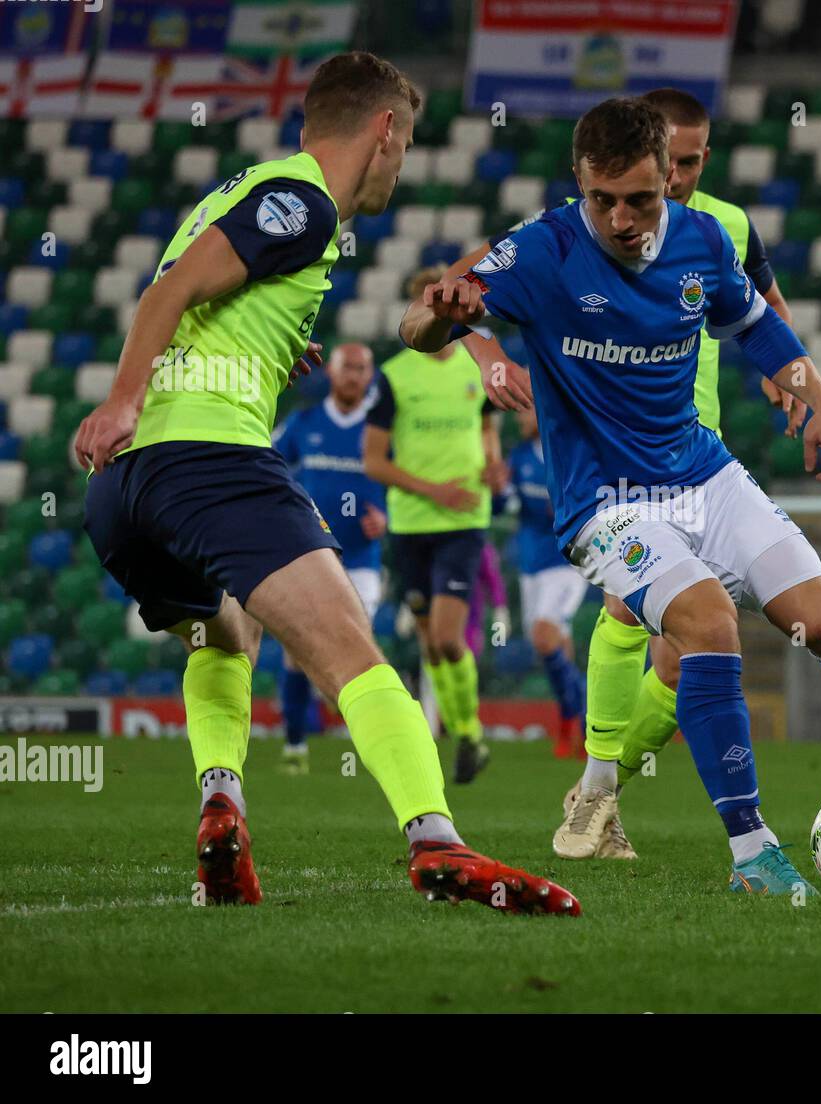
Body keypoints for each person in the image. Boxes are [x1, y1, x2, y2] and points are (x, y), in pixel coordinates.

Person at [401, 97, 821, 896]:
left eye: (639, 199)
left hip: (703, 475)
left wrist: (816, 400)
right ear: (580, 183)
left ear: (666, 177)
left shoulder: (708, 241)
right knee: (710, 622)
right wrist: (449, 320)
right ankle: (751, 851)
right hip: (605, 502)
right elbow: (418, 319)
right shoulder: (544, 250)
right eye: (601, 199)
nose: (619, 218)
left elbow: (758, 327)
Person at [74, 51, 578, 914]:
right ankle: (437, 844)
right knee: (352, 654)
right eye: (408, 142)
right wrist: (121, 400)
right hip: (206, 460)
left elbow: (199, 294)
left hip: (123, 494)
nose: (403, 164)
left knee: (222, 637)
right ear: (384, 130)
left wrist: (271, 354)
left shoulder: (250, 190)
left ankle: (221, 805)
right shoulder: (303, 201)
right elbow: (170, 293)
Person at [451, 87, 806, 858]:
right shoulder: (584, 222)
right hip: (625, 458)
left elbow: (764, 311)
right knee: (652, 619)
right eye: (664, 163)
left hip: (700, 449)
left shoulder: (722, 227)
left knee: (685, 663)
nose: (674, 177)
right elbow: (458, 290)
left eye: (689, 162)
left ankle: (599, 790)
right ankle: (614, 796)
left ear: (702, 158)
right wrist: (486, 355)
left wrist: (793, 378)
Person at [363, 265, 508, 784]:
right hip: (411, 525)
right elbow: (374, 462)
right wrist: (432, 490)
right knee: (429, 644)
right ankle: (466, 736)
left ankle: (468, 733)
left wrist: (493, 462)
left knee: (447, 638)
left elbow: (488, 425)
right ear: (416, 310)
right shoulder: (394, 377)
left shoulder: (476, 366)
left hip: (465, 519)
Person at [272, 342, 386, 773]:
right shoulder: (305, 421)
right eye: (347, 368)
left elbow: (397, 479)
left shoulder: (379, 429)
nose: (354, 375)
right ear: (332, 373)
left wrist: (386, 517)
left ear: (369, 375)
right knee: (295, 650)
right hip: (311, 553)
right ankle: (296, 746)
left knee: (355, 647)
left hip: (361, 560)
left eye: (361, 368)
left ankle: (364, 746)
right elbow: (268, 461)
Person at [506, 403, 601, 769]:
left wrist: (570, 506)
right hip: (532, 563)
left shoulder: (570, 449)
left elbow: (599, 491)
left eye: (526, 409)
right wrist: (499, 489)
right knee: (550, 641)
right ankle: (571, 724)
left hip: (566, 561)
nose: (519, 418)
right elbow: (507, 504)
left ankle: (581, 722)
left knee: (545, 636)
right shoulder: (518, 456)